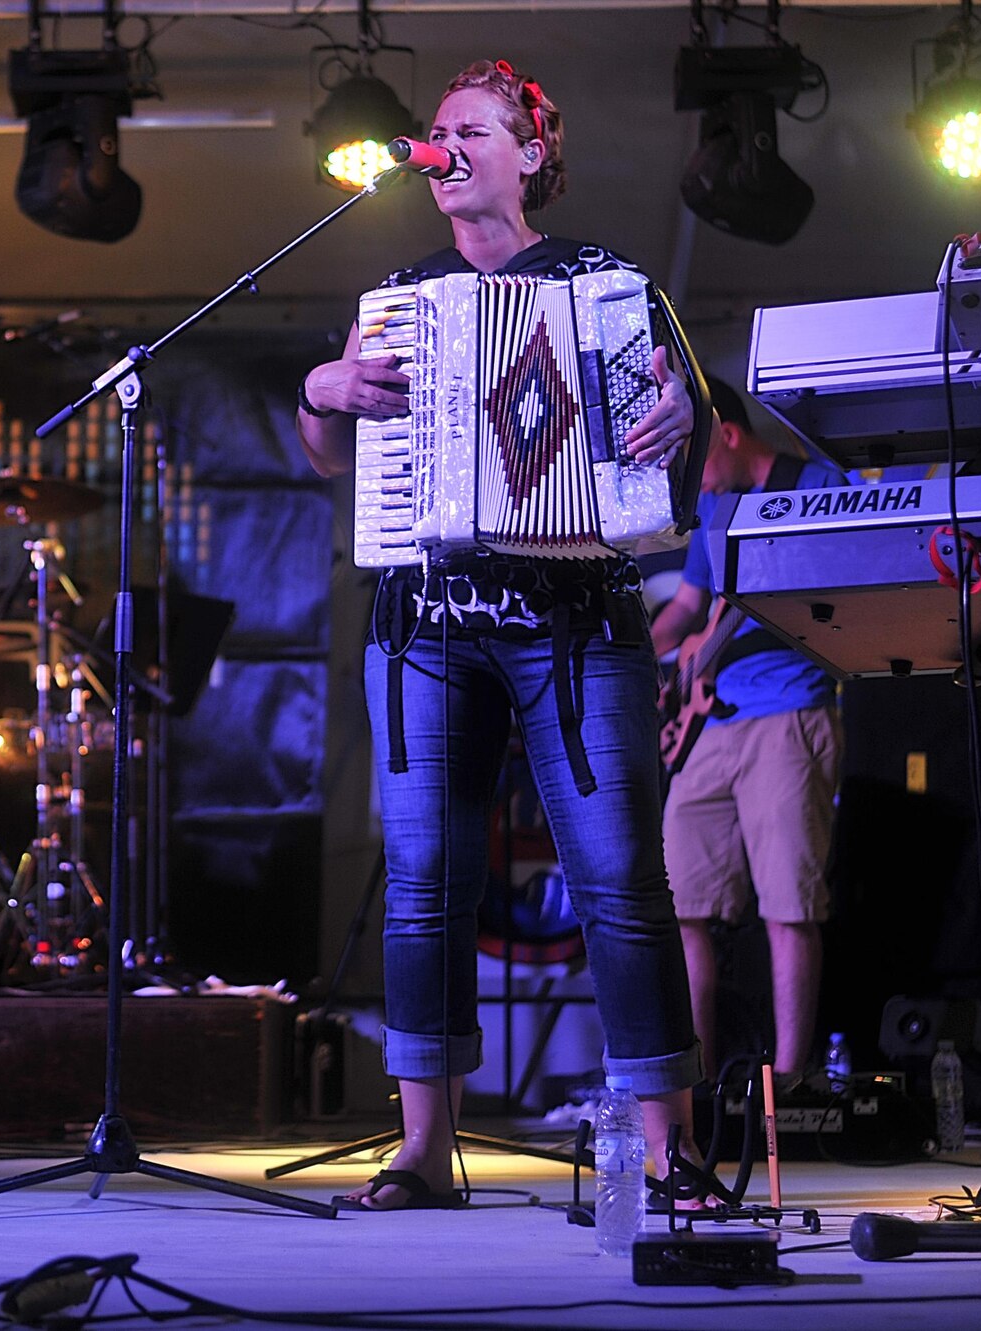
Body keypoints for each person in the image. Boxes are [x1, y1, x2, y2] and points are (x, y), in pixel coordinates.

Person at [296, 59, 705, 1211]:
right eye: (434, 133)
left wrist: (684, 414)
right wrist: (324, 387)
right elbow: (325, 451)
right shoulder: (394, 298)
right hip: (424, 622)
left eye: (470, 130)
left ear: (529, 155)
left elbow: (682, 432)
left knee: (620, 876)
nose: (444, 147)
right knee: (424, 881)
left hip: (575, 617)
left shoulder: (608, 287)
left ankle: (663, 1146)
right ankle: (424, 1145)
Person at [649, 377, 844, 1086]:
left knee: (788, 905)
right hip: (711, 718)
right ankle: (691, 1082)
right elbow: (689, 613)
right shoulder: (712, 507)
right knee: (680, 902)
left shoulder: (815, 485)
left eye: (697, 457)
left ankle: (789, 1082)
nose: (691, 477)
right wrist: (641, 647)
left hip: (788, 712)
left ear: (728, 433)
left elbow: (842, 595)